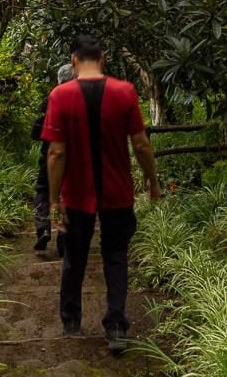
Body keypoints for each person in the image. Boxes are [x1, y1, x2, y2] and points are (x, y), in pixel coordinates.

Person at [41, 34, 161, 353]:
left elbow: (56, 153)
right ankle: (117, 326)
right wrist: (153, 181)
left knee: (75, 256)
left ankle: (71, 322)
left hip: (78, 193)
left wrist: (54, 200)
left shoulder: (60, 96)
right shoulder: (124, 92)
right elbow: (141, 144)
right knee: (115, 256)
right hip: (117, 191)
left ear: (73, 60)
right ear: (103, 58)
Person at [30, 62, 74, 252]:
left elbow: (36, 131)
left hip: (49, 156)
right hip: (73, 158)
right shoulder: (79, 99)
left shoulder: (50, 99)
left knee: (42, 191)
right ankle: (64, 241)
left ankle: (43, 229)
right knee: (68, 195)